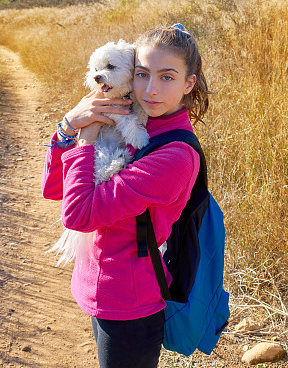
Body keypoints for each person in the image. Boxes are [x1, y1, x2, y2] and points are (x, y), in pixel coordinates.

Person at [41, 23, 211, 368]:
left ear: (188, 83)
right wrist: (66, 127)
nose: (150, 90)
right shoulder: (125, 116)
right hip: (96, 281)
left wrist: (85, 136)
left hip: (128, 301)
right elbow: (56, 188)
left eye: (167, 77)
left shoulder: (175, 154)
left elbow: (78, 214)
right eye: (142, 74)